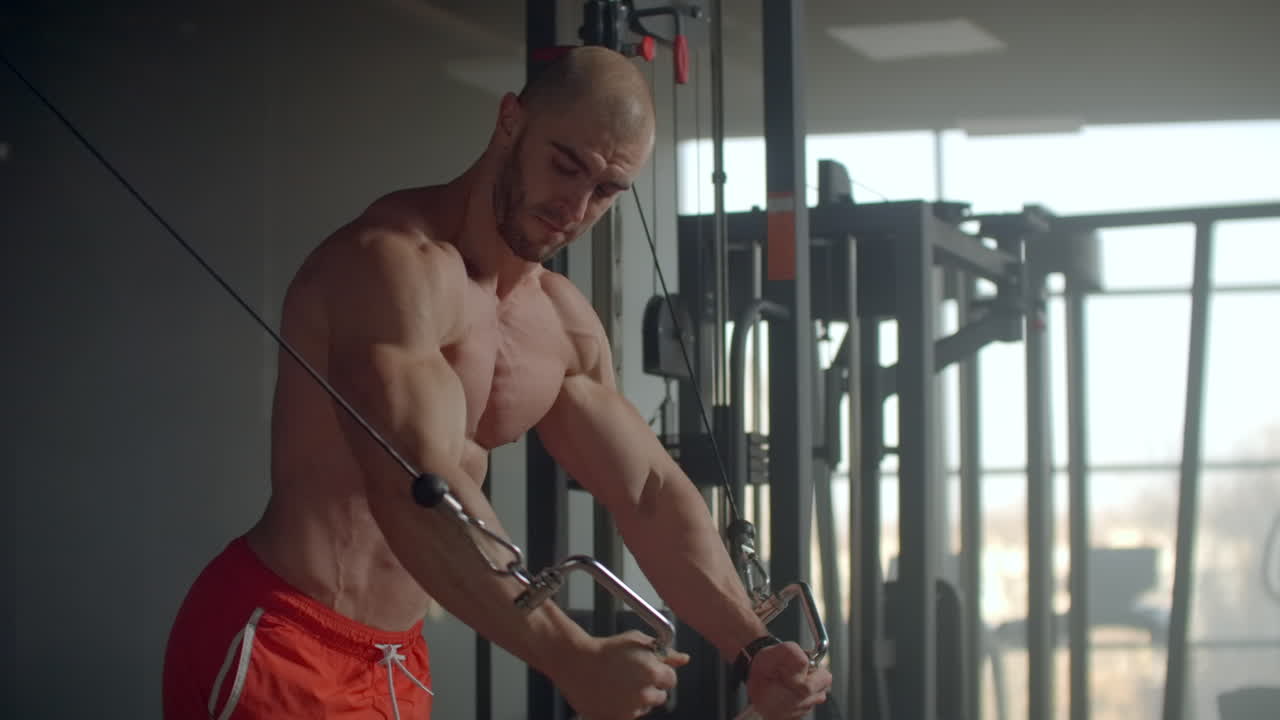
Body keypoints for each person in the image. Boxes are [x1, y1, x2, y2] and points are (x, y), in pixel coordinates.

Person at [163, 46, 832, 720]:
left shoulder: (560, 325)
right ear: (509, 120)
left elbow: (649, 492)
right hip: (285, 639)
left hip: (397, 659)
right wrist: (571, 656)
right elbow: (412, 489)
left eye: (605, 191)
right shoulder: (391, 268)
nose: (575, 205)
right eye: (565, 166)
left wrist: (751, 644)